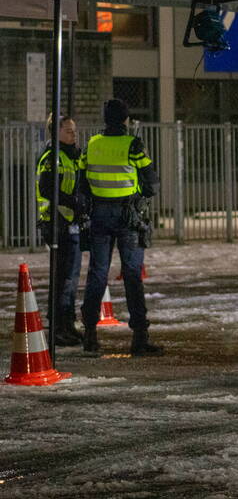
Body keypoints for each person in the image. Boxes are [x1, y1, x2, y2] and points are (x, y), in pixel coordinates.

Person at [80, 99, 163, 357]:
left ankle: (90, 335)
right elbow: (151, 182)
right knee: (131, 275)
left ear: (105, 119)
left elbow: (82, 181)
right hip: (128, 217)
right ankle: (139, 338)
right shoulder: (133, 144)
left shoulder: (92, 144)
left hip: (99, 215)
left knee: (97, 274)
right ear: (125, 119)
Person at [35, 114, 86, 346]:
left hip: (69, 222)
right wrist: (73, 202)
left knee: (71, 277)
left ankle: (67, 323)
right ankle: (58, 328)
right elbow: (47, 189)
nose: (73, 134)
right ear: (55, 132)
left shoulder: (71, 156)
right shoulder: (52, 158)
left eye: (74, 131)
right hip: (56, 223)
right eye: (68, 130)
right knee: (63, 278)